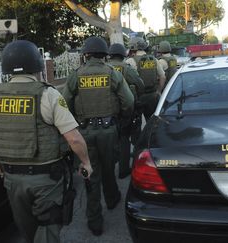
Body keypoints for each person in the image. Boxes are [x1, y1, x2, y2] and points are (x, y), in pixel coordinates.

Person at [0, 40, 92, 243]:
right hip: (46, 180)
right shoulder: (48, 94)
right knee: (48, 231)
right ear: (37, 65)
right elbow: (73, 138)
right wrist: (86, 162)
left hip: (12, 180)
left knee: (28, 232)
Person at [62, 36, 134, 236]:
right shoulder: (112, 73)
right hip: (109, 131)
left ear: (86, 54)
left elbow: (64, 103)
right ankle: (112, 199)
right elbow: (128, 101)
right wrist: (122, 119)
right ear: (104, 55)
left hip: (84, 133)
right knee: (109, 167)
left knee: (90, 173)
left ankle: (94, 220)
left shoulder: (76, 75)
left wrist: (74, 122)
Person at [107, 43, 145, 179]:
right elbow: (140, 84)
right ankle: (123, 169)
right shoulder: (125, 68)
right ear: (123, 55)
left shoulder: (105, 68)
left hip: (107, 111)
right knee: (124, 138)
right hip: (124, 109)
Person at [125, 37, 166, 121]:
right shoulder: (154, 59)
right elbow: (163, 77)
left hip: (138, 98)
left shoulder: (130, 61)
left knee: (136, 124)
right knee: (152, 122)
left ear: (133, 47)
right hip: (153, 96)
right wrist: (158, 91)